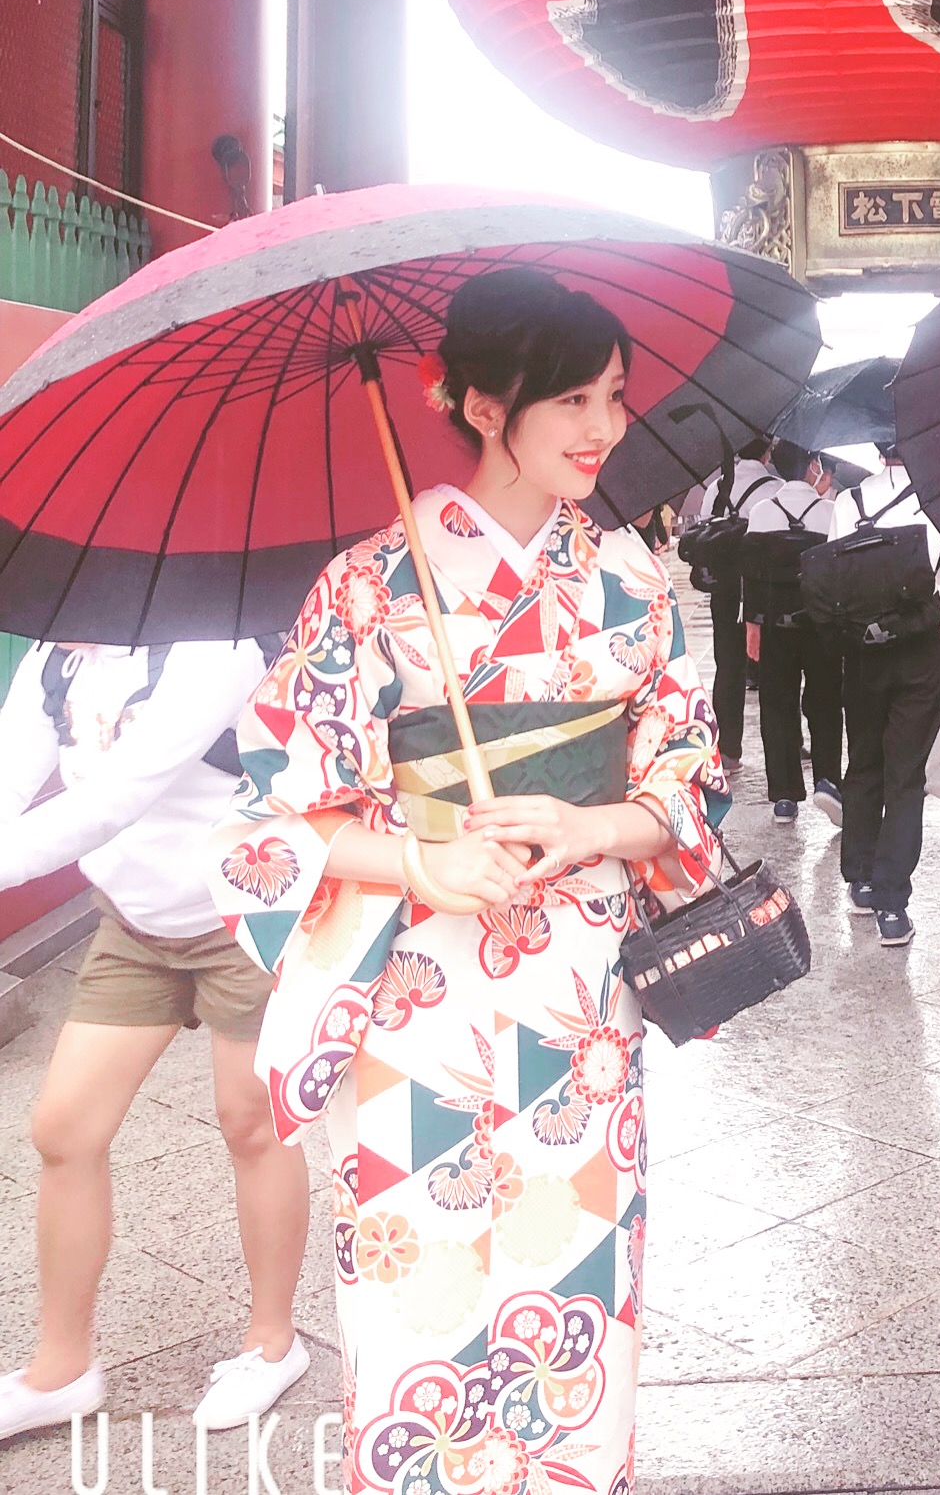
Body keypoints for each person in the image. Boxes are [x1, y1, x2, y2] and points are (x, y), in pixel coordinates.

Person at [209, 267, 723, 1495]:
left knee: (577, 1269)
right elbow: (274, 812)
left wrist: (594, 818)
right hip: (420, 980)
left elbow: (686, 779)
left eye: (613, 396)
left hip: (584, 985)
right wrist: (426, 857)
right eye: (571, 401)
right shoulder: (366, 587)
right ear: (485, 404)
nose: (603, 428)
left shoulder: (632, 581)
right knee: (414, 1268)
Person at [0, 637, 312, 1441]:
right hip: (134, 925)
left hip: (242, 914)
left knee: (252, 1124)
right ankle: (62, 1368)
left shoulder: (215, 647)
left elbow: (115, 800)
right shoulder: (53, 662)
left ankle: (273, 1343)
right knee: (64, 1128)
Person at [830, 445, 940, 945]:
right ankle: (892, 905)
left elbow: (831, 580)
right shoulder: (935, 503)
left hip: (861, 651)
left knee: (864, 761)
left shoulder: (847, 501)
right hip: (918, 654)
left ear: (876, 448)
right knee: (905, 775)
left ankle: (859, 879)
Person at [743, 442, 843, 825]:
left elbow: (750, 579)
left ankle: (784, 795)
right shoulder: (830, 513)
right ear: (813, 467)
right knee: (826, 704)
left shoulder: (762, 513)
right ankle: (828, 781)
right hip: (820, 627)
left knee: (777, 706)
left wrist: (752, 628)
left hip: (774, 626)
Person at [679, 441, 777, 773]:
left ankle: (729, 751)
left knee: (728, 665)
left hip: (725, 590)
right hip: (763, 591)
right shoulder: (774, 489)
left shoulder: (718, 488)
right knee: (775, 670)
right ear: (767, 453)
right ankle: (782, 748)